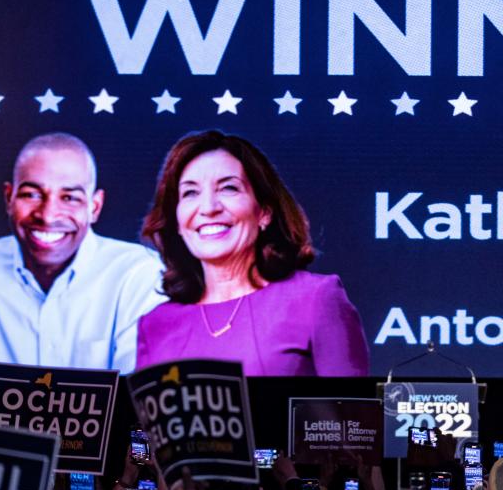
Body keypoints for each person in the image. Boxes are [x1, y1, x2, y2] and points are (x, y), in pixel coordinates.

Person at [136, 130, 369, 376]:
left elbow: (352, 412)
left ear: (264, 213)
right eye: (190, 193)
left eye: (228, 188)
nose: (208, 208)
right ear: (177, 222)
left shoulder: (316, 298)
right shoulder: (155, 324)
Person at [0, 132, 166, 373]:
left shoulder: (139, 276)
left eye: (69, 198)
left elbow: (135, 400)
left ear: (94, 206)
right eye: (32, 195)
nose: (48, 216)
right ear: (9, 198)